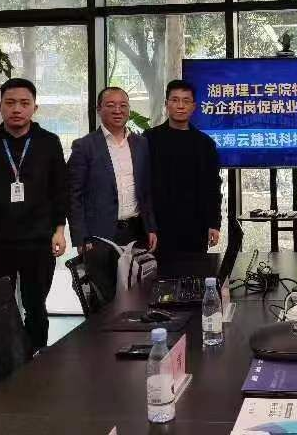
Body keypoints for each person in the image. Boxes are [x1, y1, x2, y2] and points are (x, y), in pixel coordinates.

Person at [0, 78, 67, 349]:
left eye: (24, 103)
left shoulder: (49, 142)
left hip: (39, 240)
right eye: (10, 103)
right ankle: (4, 363)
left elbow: (59, 190)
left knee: (36, 306)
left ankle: (37, 359)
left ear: (35, 108)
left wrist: (59, 229)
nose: (17, 109)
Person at [67, 87, 157, 300]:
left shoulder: (141, 144)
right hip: (100, 236)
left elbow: (146, 191)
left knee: (139, 295)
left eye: (123, 105)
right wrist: (81, 237)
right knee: (104, 296)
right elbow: (73, 195)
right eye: (110, 105)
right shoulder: (85, 146)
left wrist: (151, 227)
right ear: (99, 109)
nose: (118, 110)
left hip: (136, 232)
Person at [145, 79, 222, 253]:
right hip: (157, 227)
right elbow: (142, 185)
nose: (180, 106)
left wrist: (214, 223)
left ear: (193, 107)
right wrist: (147, 225)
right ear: (166, 104)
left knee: (194, 269)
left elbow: (213, 187)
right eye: (175, 100)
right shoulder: (149, 139)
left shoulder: (205, 144)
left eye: (186, 101)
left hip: (195, 226)